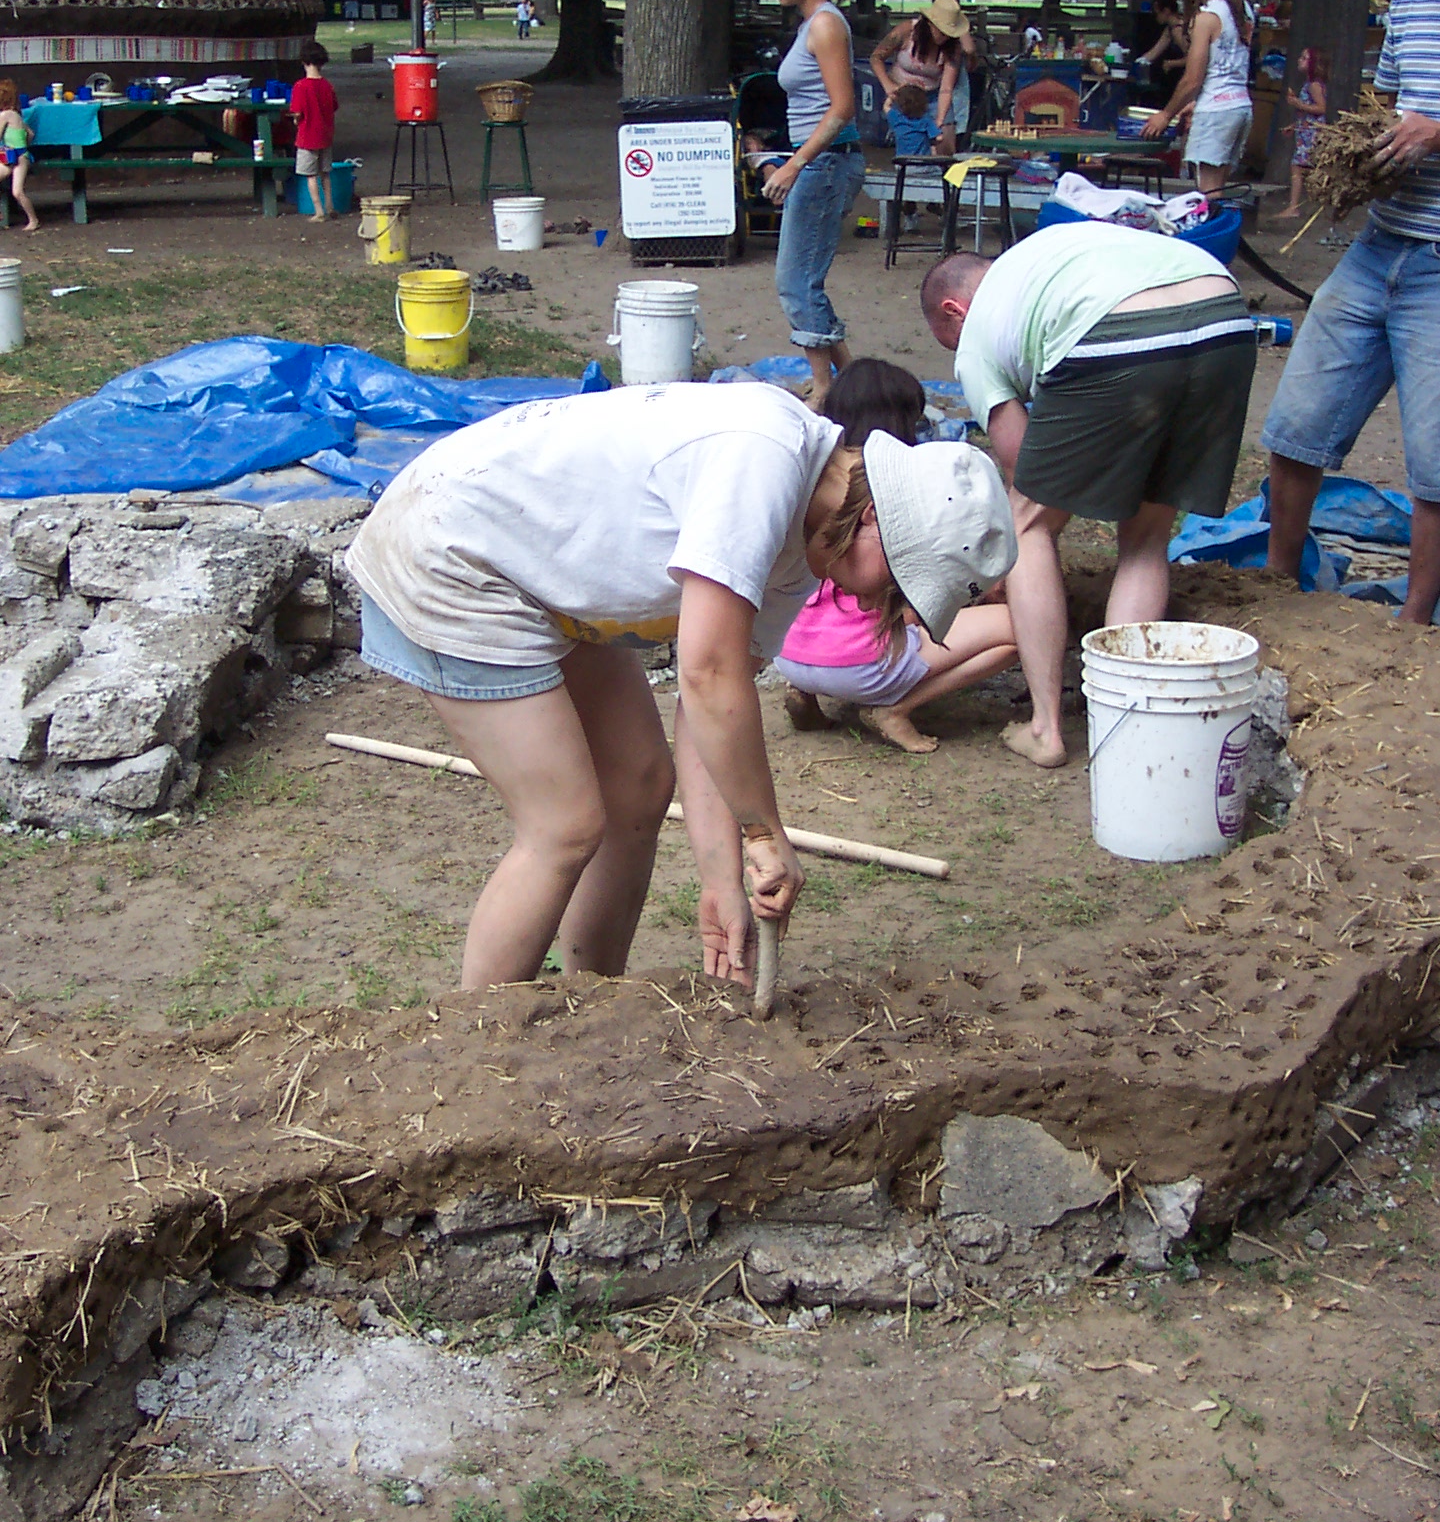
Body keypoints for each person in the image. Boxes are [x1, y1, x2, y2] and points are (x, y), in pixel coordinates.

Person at [345, 380, 1015, 988]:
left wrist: (723, 880)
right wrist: (763, 831)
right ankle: (478, 1045)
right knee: (562, 825)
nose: (875, 604)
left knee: (637, 782)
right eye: (895, 585)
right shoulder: (764, 458)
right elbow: (707, 673)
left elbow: (711, 709)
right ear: (873, 521)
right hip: (453, 549)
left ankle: (593, 1000)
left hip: (536, 571)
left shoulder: (804, 548)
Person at [921, 222, 1257, 767]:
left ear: (954, 311)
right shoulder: (1043, 259)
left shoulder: (978, 332)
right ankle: (1123, 720)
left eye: (949, 341)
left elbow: (1023, 463)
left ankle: (1046, 729)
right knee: (1146, 535)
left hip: (1114, 329)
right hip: (1225, 318)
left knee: (1027, 524)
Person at [1263, 0, 1440, 627]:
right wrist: (1366, 151)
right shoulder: (1411, 0)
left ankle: (1415, 622)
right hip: (1379, 246)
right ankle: (1276, 581)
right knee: (1297, 422)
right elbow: (1389, 102)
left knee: (1435, 464)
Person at [775, 359, 1018, 752]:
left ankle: (802, 688)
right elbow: (909, 608)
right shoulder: (909, 502)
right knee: (1019, 626)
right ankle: (894, 709)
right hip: (860, 667)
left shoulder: (810, 481)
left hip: (784, 651)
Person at [768, 0, 868, 407]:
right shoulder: (812, 23)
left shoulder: (826, 25)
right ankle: (855, 385)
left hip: (826, 164)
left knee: (796, 281)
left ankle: (827, 390)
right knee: (803, 279)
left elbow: (843, 108)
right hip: (820, 161)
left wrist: (795, 163)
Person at [1140, 0, 1253, 193]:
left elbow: (1192, 78)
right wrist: (1194, 103)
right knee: (1218, 189)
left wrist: (1165, 115)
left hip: (1216, 110)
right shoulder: (1243, 10)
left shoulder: (1207, 16)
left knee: (1208, 192)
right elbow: (1227, 64)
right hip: (1240, 105)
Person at [871, 0, 979, 154]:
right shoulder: (906, 31)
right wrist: (888, 85)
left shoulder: (952, 48)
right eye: (941, 32)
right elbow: (876, 58)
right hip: (903, 95)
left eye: (949, 34)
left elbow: (946, 88)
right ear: (929, 24)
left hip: (933, 95)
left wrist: (940, 119)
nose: (945, 37)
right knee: (909, 140)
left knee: (945, 144)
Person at [289, 40, 339, 222]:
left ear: (303, 61)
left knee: (311, 175)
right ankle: (330, 206)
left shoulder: (300, 86)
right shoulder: (327, 85)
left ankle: (318, 211)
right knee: (325, 174)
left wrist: (295, 120)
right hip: (325, 135)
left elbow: (297, 112)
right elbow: (334, 106)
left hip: (307, 137)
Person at [1276, 47, 1329, 218]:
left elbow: (1321, 108)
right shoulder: (1310, 84)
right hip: (1306, 131)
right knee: (1300, 167)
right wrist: (1294, 126)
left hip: (1311, 134)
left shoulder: (1314, 85)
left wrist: (1297, 103)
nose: (1300, 60)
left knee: (1298, 167)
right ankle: (1298, 205)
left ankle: (1294, 207)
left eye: (1304, 58)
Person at [1134, 0, 1187, 103]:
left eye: (1157, 13)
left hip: (1183, 77)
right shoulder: (1170, 29)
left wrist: (1172, 63)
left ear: (1166, 11)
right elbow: (1156, 50)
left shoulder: (1178, 30)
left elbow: (1193, 58)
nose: (1155, 17)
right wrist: (1140, 61)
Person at [0, 82, 39, 233]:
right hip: (19, 156)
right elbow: (31, 134)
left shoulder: (5, 115)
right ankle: (33, 220)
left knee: (17, 191)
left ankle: (33, 219)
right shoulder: (17, 116)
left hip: (15, 157)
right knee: (17, 191)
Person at [885, 82, 939, 159]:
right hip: (922, 161)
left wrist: (896, 91)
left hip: (902, 161)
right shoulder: (926, 120)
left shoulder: (896, 117)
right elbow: (939, 137)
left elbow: (886, 106)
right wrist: (932, 142)